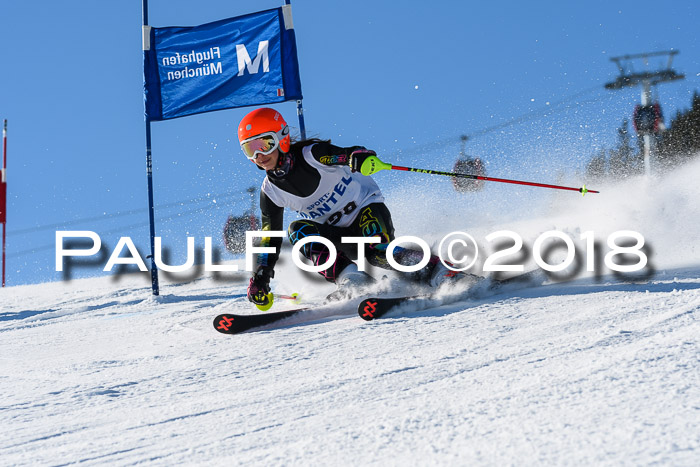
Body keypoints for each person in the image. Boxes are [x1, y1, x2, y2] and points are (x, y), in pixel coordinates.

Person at [238, 107, 459, 306]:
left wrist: (358, 157)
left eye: (264, 144)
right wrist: (260, 277)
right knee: (298, 230)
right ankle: (353, 279)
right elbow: (270, 238)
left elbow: (345, 154)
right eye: (250, 150)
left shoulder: (312, 155)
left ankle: (440, 270)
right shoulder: (271, 191)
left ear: (281, 138)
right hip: (338, 236)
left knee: (377, 252)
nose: (258, 156)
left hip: (366, 210)